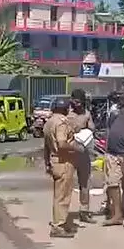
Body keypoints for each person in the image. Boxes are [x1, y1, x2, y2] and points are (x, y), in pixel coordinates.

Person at [43, 96, 79, 238]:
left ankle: (61, 222)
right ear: (65, 108)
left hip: (54, 161)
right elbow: (62, 143)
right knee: (63, 196)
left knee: (58, 195)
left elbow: (46, 146)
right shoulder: (61, 123)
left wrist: (47, 162)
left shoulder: (49, 122)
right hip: (64, 162)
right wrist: (76, 147)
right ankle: (58, 226)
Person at [102, 90, 124, 226]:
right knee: (112, 183)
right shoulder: (115, 110)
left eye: (122, 94)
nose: (119, 97)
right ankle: (117, 215)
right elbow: (109, 128)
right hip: (112, 152)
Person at [67, 89, 96, 224]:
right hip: (69, 153)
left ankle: (84, 210)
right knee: (66, 182)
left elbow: (92, 128)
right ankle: (63, 212)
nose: (77, 104)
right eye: (75, 101)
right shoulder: (67, 114)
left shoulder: (87, 114)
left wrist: (87, 129)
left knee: (85, 183)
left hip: (84, 153)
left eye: (80, 102)